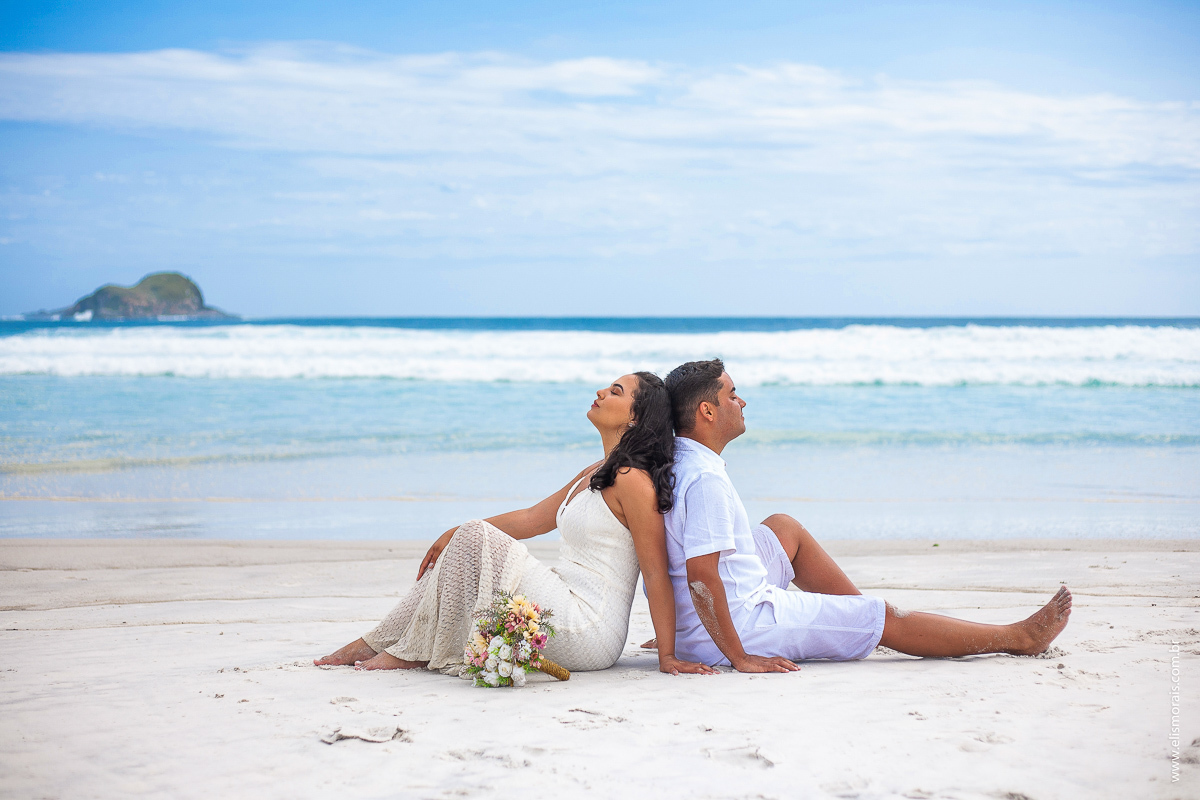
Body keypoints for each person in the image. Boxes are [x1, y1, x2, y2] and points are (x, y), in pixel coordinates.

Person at [655, 358, 1072, 672]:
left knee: (784, 529)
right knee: (884, 615)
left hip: (707, 622)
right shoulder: (705, 479)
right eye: (731, 395)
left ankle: (857, 625)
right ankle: (1019, 638)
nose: (741, 401)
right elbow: (701, 576)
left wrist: (677, 633)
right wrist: (740, 656)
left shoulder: (678, 459)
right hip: (741, 626)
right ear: (707, 412)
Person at [315, 372, 716, 677]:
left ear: (635, 417)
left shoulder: (632, 481)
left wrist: (668, 656)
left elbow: (656, 573)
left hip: (590, 628)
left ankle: (400, 649)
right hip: (562, 599)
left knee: (476, 535)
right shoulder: (596, 472)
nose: (600, 393)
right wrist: (451, 533)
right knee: (472, 534)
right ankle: (380, 642)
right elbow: (532, 519)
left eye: (616, 392)